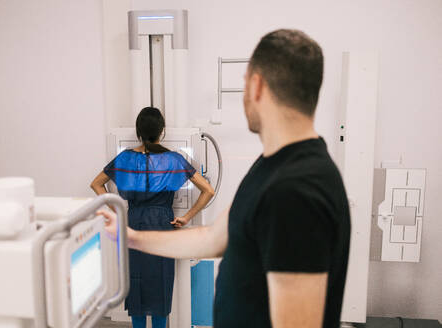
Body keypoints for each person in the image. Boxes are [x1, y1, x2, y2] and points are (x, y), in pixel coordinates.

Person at [98, 29, 351, 328]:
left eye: (244, 86)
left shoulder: (296, 189)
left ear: (256, 86)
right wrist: (132, 237)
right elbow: (214, 239)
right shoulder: (271, 168)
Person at [90, 107, 215, 328]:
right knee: (161, 287)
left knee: (135, 285)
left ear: (138, 131)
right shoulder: (174, 159)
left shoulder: (125, 158)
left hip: (134, 224)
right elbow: (208, 190)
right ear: (162, 131)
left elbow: (96, 184)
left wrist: (117, 210)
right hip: (162, 227)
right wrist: (186, 217)